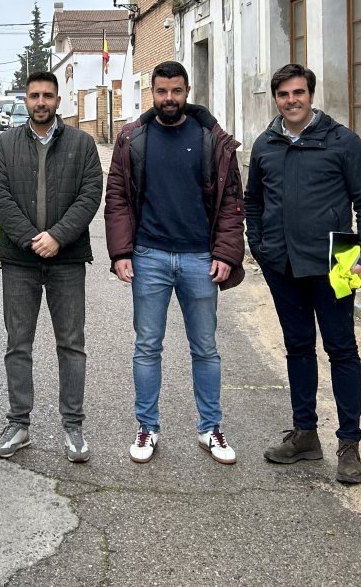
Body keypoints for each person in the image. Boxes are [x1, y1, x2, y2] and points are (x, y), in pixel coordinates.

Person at [245, 63, 361, 485]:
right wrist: (260, 247)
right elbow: (253, 201)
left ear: (311, 94)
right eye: (284, 94)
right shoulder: (265, 145)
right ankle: (305, 434)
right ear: (276, 98)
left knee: (342, 351)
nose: (292, 101)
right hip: (282, 265)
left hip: (335, 264)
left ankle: (349, 444)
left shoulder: (342, 142)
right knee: (298, 348)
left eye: (298, 92)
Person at [104, 61, 245, 466]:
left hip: (201, 258)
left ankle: (210, 428)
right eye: (162, 91)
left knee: (205, 348)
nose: (170, 99)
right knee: (147, 347)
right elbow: (117, 199)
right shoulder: (133, 138)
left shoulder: (210, 138)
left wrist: (225, 253)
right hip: (148, 257)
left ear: (187, 90)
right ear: (152, 92)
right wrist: (121, 252)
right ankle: (147, 428)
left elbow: (232, 203)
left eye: (177, 91)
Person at [0, 71, 103, 462]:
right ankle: (18, 424)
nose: (41, 102)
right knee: (18, 344)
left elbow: (90, 195)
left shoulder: (83, 145)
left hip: (67, 260)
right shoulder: (5, 144)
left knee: (71, 344)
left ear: (58, 100)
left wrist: (57, 237)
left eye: (47, 96)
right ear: (26, 100)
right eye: (34, 95)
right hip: (19, 261)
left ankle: (74, 427)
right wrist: (30, 238)